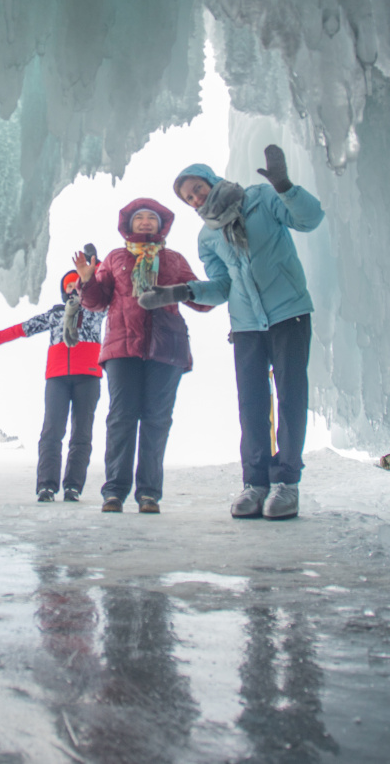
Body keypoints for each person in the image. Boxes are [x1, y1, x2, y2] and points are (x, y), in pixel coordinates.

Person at [148, 146, 323, 521]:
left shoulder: (260, 199)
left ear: (210, 180)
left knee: (291, 398)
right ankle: (255, 484)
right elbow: (223, 287)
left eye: (197, 188)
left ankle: (286, 482)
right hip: (246, 327)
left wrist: (284, 186)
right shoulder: (207, 237)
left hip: (289, 314)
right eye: (188, 197)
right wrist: (180, 292)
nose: (196, 198)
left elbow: (310, 219)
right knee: (252, 405)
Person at [74, 198, 210, 514]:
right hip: (122, 348)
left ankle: (149, 494)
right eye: (140, 217)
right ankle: (114, 492)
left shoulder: (174, 260)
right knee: (121, 418)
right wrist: (87, 279)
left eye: (152, 217)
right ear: (129, 224)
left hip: (167, 348)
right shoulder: (115, 258)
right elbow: (96, 302)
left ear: (161, 225)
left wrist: (217, 283)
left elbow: (201, 301)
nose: (146, 221)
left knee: (157, 420)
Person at [0, 254, 107, 503]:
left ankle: (73, 487)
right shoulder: (54, 315)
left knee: (82, 435)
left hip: (88, 377)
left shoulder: (96, 311)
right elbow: (21, 329)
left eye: (77, 283)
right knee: (51, 433)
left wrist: (95, 266)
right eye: (69, 285)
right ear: (63, 291)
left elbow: (105, 285)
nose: (73, 288)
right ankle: (47, 486)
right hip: (57, 379)